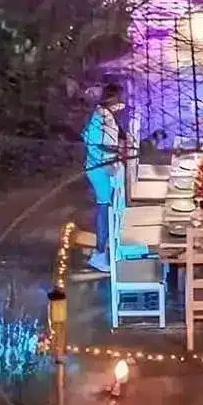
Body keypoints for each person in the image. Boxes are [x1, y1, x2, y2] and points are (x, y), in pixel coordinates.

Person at [81, 82, 125, 272]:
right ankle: (99, 253)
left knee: (106, 207)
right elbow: (97, 145)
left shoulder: (104, 114)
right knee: (104, 207)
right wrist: (108, 164)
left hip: (100, 166)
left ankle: (103, 249)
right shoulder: (102, 117)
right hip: (99, 169)